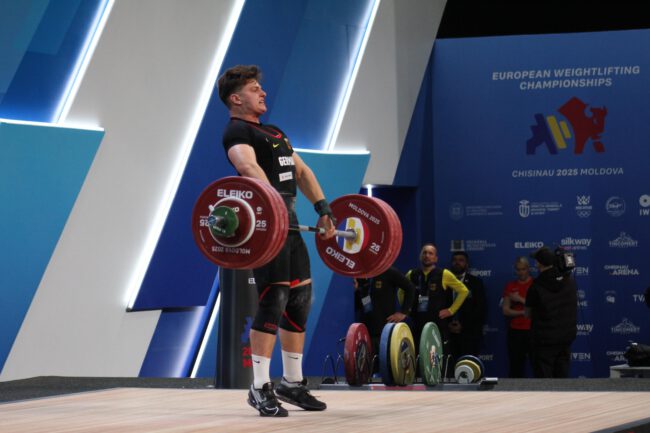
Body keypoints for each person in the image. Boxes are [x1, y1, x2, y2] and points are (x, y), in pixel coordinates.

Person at [218, 65, 336, 417]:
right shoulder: (236, 131)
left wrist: (324, 208)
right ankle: (259, 386)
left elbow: (301, 171)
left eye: (261, 88)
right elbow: (248, 168)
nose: (263, 92)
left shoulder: (275, 132)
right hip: (267, 224)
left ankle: (292, 382)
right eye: (254, 89)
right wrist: (274, 207)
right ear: (236, 98)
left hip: (291, 221)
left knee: (300, 299)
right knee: (275, 299)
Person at [405, 244, 469, 376]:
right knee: (417, 357)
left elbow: (463, 291)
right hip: (417, 323)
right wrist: (407, 308)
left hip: (438, 325)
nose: (427, 256)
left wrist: (451, 310)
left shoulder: (444, 274)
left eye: (430, 253)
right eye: (424, 253)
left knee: (438, 359)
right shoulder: (412, 274)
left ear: (436, 258)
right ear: (420, 256)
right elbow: (401, 291)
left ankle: (440, 382)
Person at [525, 246, 577, 378]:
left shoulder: (536, 286)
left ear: (538, 264)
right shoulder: (569, 281)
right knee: (562, 377)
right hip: (565, 338)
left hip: (544, 341)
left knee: (544, 381)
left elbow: (527, 314)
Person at [353, 266, 416, 362]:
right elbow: (359, 304)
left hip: (385, 330)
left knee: (386, 366)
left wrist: (404, 312)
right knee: (368, 367)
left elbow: (410, 288)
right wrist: (356, 290)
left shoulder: (388, 271)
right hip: (366, 330)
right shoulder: (361, 273)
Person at [448, 251, 487, 366]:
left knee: (468, 368)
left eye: (461, 260)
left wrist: (463, 325)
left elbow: (480, 308)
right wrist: (448, 324)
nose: (457, 263)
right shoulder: (445, 282)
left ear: (467, 264)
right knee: (449, 368)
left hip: (469, 333)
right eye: (455, 260)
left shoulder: (476, 283)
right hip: (448, 333)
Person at [502, 256, 533, 378]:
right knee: (515, 366)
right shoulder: (510, 286)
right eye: (518, 269)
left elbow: (538, 308)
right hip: (515, 331)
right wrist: (523, 312)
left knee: (538, 365)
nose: (521, 272)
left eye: (523, 269)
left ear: (528, 269)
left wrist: (519, 299)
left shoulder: (535, 284)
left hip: (533, 330)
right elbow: (506, 310)